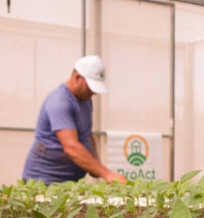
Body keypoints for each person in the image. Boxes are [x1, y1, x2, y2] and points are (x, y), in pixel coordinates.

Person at [22, 55, 126, 185]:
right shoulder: (59, 102)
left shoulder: (86, 100)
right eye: (91, 87)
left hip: (69, 182)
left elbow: (87, 134)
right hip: (44, 182)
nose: (94, 93)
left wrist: (96, 164)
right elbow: (71, 147)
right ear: (77, 78)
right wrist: (107, 174)